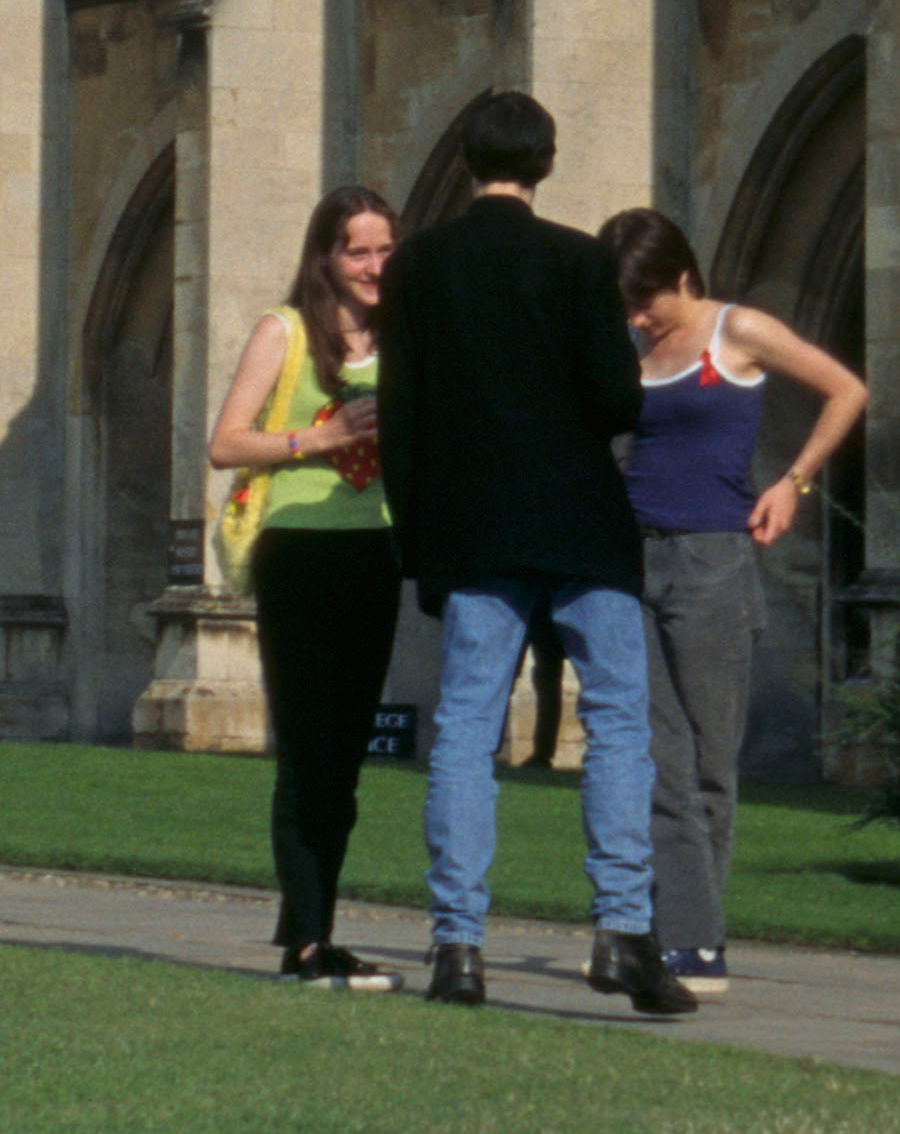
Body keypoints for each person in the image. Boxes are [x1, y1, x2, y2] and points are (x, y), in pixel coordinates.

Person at [373, 88, 694, 1017]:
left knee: (466, 731)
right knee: (619, 723)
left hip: (472, 525)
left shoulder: (421, 265)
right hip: (576, 519)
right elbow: (613, 401)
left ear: (468, 159)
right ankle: (624, 933)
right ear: (546, 161)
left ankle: (457, 947)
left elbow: (403, 411)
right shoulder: (578, 260)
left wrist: (415, 535)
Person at [598, 206, 869, 996]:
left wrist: (795, 481)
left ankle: (692, 938)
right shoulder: (629, 344)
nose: (637, 318)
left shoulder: (737, 330)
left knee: (710, 760)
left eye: (646, 301)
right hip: (631, 557)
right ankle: (683, 936)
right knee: (658, 757)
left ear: (682, 276)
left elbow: (845, 389)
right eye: (625, 305)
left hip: (712, 560)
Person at [203, 187, 402, 989]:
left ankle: (312, 929)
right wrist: (316, 437)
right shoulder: (281, 331)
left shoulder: (401, 337)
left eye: (385, 249)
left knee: (345, 760)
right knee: (305, 751)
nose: (374, 265)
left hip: (374, 552)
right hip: (297, 553)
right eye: (358, 250)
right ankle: (309, 943)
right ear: (325, 257)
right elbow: (225, 444)